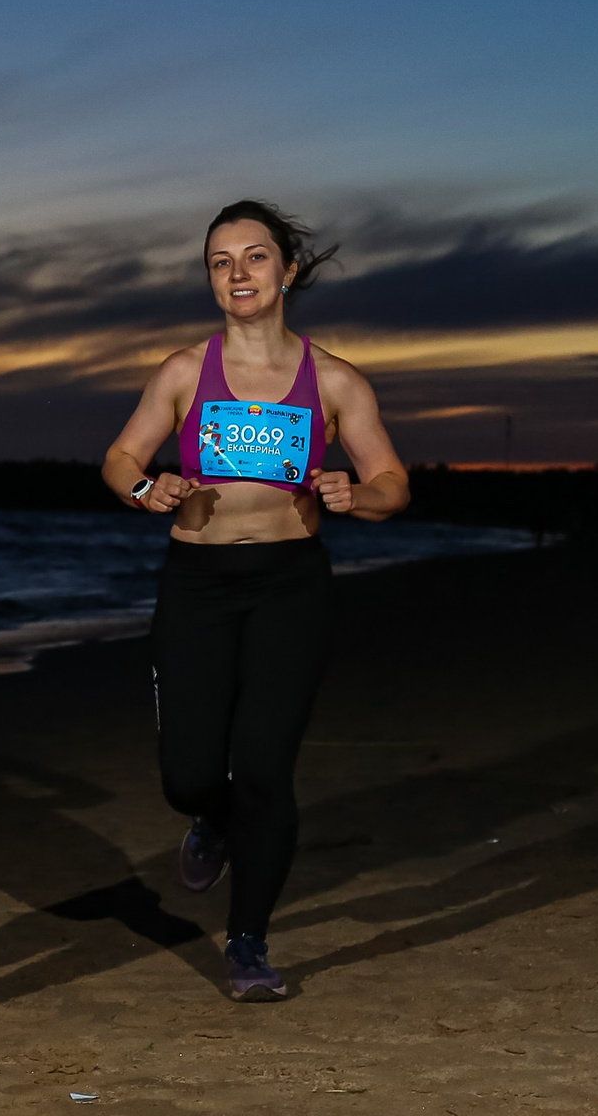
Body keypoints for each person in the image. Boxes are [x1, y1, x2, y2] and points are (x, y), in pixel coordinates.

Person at [100, 200, 409, 1001]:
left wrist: (355, 492)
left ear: (288, 270)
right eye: (220, 261)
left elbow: (392, 482)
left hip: (289, 585)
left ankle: (248, 943)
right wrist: (146, 485)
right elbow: (120, 456)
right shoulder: (182, 371)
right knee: (189, 771)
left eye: (255, 257)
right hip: (197, 584)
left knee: (266, 768)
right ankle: (209, 816)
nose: (238, 273)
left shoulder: (334, 380)